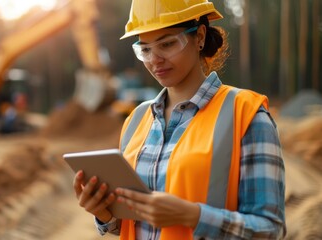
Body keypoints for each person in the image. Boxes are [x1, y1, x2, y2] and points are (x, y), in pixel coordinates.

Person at [73, 0, 286, 239]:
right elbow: (135, 225)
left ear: (200, 37)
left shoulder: (247, 115)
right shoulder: (136, 120)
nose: (155, 59)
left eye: (167, 43)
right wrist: (106, 215)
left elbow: (270, 230)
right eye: (145, 49)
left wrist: (192, 216)